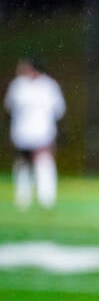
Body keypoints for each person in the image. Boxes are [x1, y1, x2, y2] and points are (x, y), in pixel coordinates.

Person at [3, 57, 66, 210]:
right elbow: (9, 107)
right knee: (22, 164)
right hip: (22, 133)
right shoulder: (18, 85)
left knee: (44, 163)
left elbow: (59, 110)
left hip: (43, 131)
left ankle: (47, 198)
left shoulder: (49, 85)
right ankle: (22, 198)